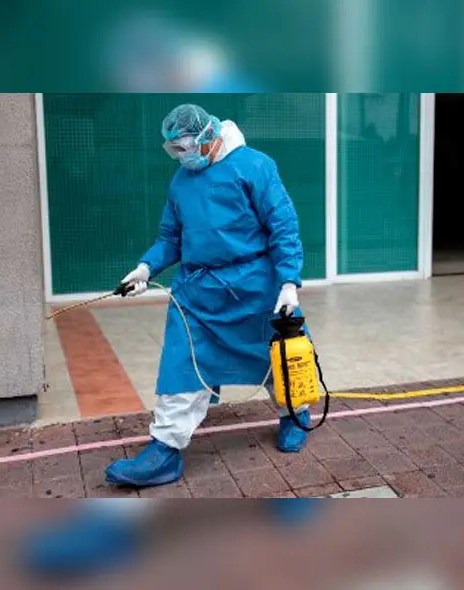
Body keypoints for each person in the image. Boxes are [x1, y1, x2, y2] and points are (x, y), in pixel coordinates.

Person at [103, 104, 313, 489]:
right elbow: (171, 237)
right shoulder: (182, 182)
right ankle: (164, 451)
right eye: (174, 150)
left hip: (255, 288)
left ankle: (295, 415)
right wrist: (147, 268)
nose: (181, 156)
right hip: (197, 294)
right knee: (181, 363)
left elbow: (283, 227)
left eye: (185, 147)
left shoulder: (255, 167)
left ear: (208, 137)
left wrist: (287, 284)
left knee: (275, 358)